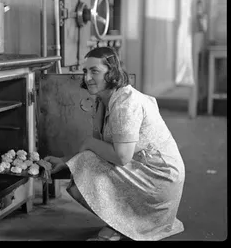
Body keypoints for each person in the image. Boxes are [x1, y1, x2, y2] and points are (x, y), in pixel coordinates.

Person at [45, 46, 185, 241]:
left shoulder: (125, 103)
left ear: (111, 73)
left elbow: (121, 156)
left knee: (85, 164)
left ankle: (124, 225)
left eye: (95, 71)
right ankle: (120, 224)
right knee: (84, 163)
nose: (87, 78)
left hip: (159, 180)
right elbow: (104, 151)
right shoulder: (104, 100)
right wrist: (65, 161)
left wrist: (87, 143)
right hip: (144, 169)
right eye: (85, 71)